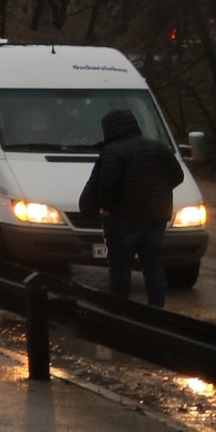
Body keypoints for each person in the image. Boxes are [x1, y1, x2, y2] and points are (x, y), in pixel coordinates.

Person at [77, 108, 183, 307]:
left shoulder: (113, 151)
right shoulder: (159, 148)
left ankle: (120, 311)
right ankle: (157, 309)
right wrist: (157, 191)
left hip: (122, 219)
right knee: (153, 264)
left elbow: (107, 184)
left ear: (109, 129)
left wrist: (105, 207)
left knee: (120, 267)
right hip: (156, 217)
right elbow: (178, 176)